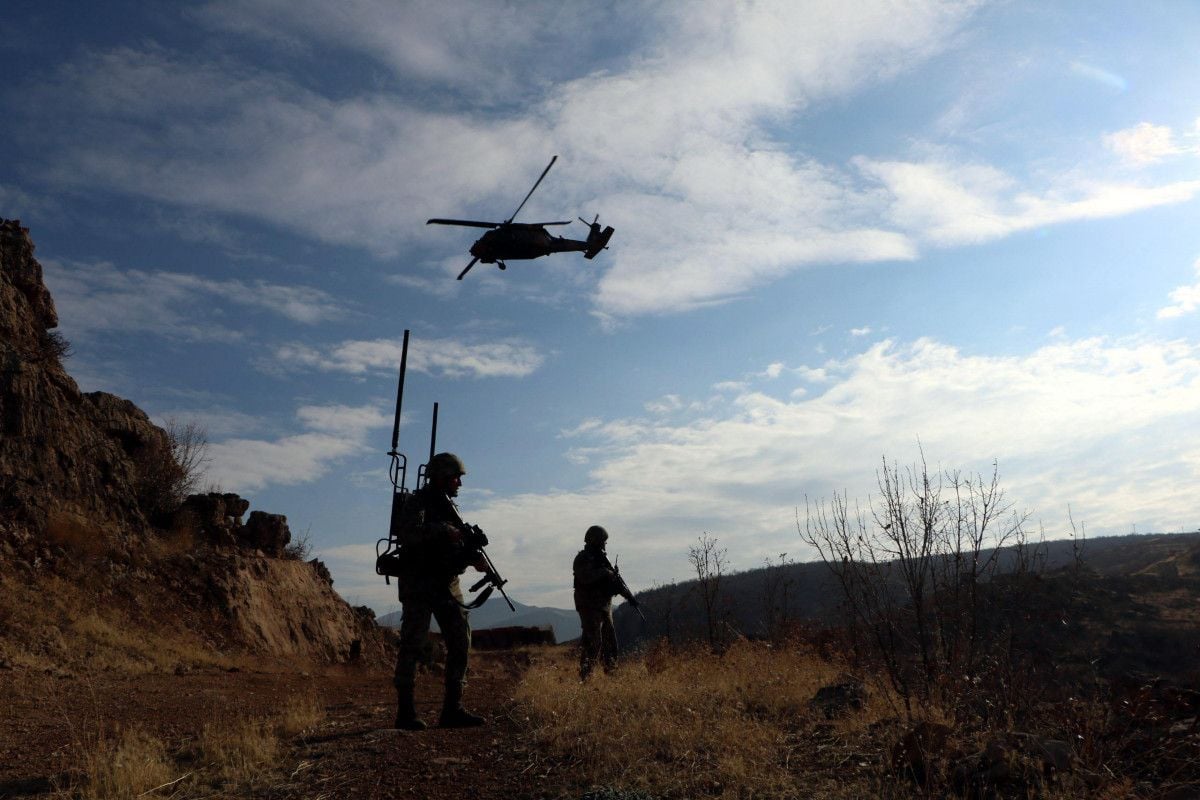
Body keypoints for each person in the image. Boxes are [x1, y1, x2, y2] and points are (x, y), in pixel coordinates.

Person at [392, 452, 489, 730]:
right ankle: (406, 712)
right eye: (455, 477)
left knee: (461, 640)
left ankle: (452, 709)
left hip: (447, 584)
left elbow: (454, 547)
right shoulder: (417, 503)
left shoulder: (451, 509)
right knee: (413, 644)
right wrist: (442, 530)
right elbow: (409, 534)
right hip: (419, 582)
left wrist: (473, 558)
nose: (459, 483)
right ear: (441, 477)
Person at [573, 525, 639, 679]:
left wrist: (629, 596)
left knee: (610, 640)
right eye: (603, 541)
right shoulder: (583, 558)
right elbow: (584, 577)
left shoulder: (603, 559)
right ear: (595, 541)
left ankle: (611, 672)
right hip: (588, 604)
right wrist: (605, 572)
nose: (604, 544)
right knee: (593, 640)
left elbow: (615, 582)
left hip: (604, 605)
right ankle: (586, 676)